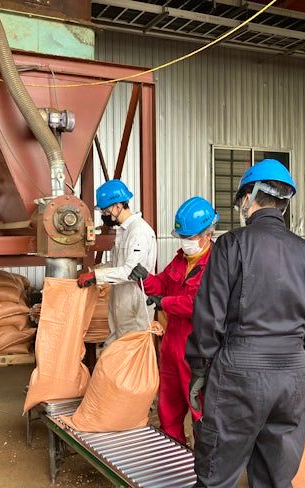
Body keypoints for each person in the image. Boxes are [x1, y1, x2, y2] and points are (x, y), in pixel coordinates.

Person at [186, 159, 305, 488]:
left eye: (242, 199)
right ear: (284, 203)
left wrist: (200, 369)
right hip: (291, 376)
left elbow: (209, 316)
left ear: (249, 197)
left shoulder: (231, 245)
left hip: (239, 374)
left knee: (216, 476)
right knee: (275, 478)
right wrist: (296, 367)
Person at [129, 196, 218, 445]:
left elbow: (198, 304)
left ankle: (204, 459)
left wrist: (165, 303)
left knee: (199, 408)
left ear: (207, 234)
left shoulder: (217, 265)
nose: (185, 242)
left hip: (196, 350)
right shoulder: (181, 258)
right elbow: (164, 283)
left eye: (189, 237)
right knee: (168, 406)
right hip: (171, 345)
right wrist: (146, 279)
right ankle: (173, 449)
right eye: (182, 237)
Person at [77, 179, 157, 345]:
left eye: (106, 210)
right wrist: (92, 271)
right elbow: (115, 264)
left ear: (118, 206)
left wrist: (96, 275)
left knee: (129, 351)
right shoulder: (124, 231)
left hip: (134, 302)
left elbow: (130, 272)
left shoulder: (139, 232)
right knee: (114, 347)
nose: (104, 215)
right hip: (120, 300)